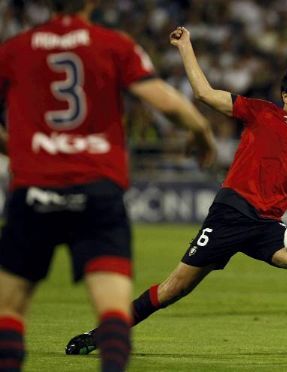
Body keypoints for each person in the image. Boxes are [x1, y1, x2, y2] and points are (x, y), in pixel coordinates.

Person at [65, 26, 287, 362]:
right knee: (174, 288)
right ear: (286, 95)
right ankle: (101, 334)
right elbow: (204, 93)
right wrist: (186, 46)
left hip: (267, 226)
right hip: (230, 215)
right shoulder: (260, 112)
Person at [0, 1, 217, 371]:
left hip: (34, 188)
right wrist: (202, 131)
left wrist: (15, 147)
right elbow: (163, 101)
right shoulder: (113, 44)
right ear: (91, 2)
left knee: (10, 310)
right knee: (113, 310)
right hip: (97, 189)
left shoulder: (15, 49)